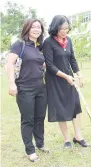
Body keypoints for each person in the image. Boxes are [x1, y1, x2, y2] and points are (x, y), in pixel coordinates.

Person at [6, 18, 48, 162]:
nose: (36, 29)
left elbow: (41, 65)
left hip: (41, 88)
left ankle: (40, 144)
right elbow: (10, 64)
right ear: (27, 29)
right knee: (28, 119)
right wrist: (12, 84)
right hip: (25, 88)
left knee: (40, 117)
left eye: (39, 27)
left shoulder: (39, 46)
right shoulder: (19, 45)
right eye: (33, 27)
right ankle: (30, 150)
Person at [43, 15, 88, 148]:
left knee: (75, 106)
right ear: (55, 28)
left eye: (67, 28)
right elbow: (49, 65)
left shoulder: (68, 40)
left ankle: (78, 136)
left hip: (69, 79)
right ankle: (66, 139)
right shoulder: (48, 42)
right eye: (62, 29)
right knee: (60, 108)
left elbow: (72, 59)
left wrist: (79, 75)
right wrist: (66, 76)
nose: (65, 31)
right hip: (55, 80)